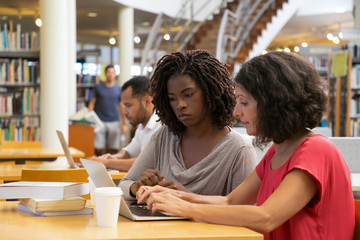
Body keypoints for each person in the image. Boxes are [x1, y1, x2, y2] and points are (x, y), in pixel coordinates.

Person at [136, 51, 355, 240]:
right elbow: (231, 201)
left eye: (244, 102)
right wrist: (175, 197)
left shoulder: (316, 150)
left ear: (273, 101)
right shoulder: (276, 152)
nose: (236, 112)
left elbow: (266, 217)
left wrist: (188, 208)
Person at [119, 49, 257, 200]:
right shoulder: (164, 136)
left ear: (210, 92)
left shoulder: (239, 149)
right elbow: (124, 185)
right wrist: (137, 188)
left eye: (188, 95)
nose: (180, 105)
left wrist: (186, 198)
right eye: (172, 98)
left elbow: (243, 212)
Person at [88, 76, 162, 171]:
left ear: (147, 101)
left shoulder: (161, 125)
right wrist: (111, 157)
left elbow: (146, 163)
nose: (124, 112)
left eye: (128, 105)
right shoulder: (142, 126)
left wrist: (107, 163)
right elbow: (128, 152)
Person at [88, 65, 127, 156]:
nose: (110, 74)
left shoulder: (118, 89)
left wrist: (124, 124)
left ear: (115, 75)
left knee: (112, 149)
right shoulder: (98, 87)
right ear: (105, 73)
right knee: (98, 148)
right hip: (99, 121)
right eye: (108, 72)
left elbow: (122, 106)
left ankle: (111, 168)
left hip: (114, 121)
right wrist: (90, 119)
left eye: (112, 72)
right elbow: (92, 103)